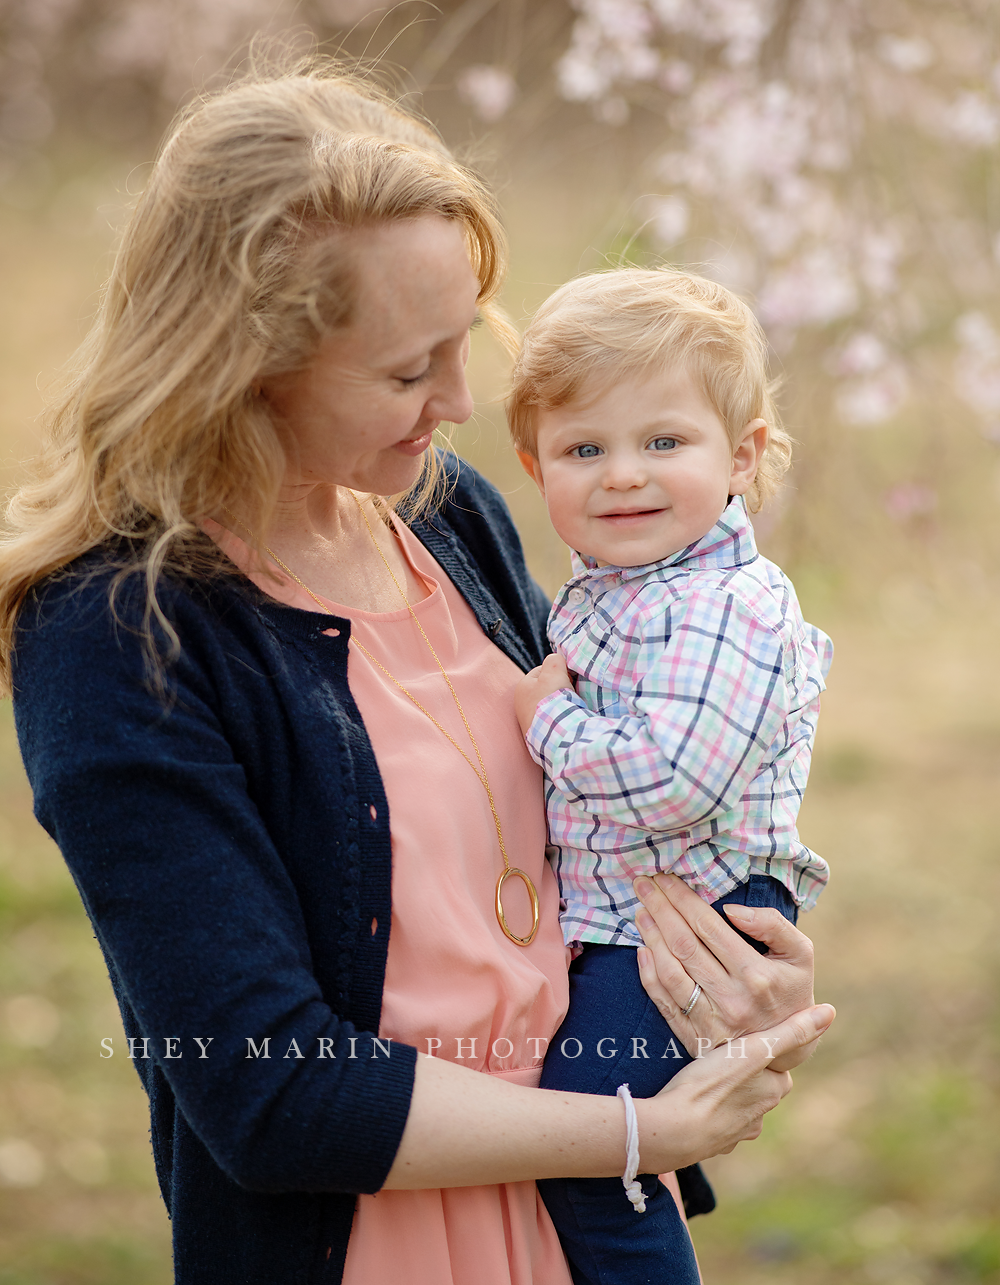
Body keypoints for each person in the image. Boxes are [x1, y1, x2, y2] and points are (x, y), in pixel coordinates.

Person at [0, 66, 833, 1285]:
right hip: (371, 1244)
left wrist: (733, 978)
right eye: (406, 372)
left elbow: (596, 815)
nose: (458, 401)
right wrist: (629, 1132)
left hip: (584, 1225)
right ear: (247, 367)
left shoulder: (449, 515)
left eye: (462, 343)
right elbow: (265, 1092)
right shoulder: (116, 634)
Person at [509, 269, 833, 1285]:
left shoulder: (725, 604)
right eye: (582, 449)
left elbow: (670, 782)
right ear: (534, 466)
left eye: (663, 442)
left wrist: (545, 720)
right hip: (623, 917)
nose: (621, 476)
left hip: (691, 920)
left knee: (593, 1143)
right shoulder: (619, 585)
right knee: (596, 1126)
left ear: (740, 457)